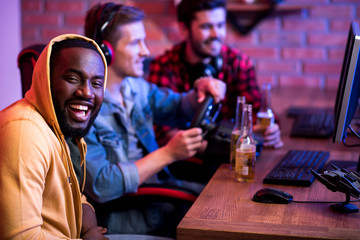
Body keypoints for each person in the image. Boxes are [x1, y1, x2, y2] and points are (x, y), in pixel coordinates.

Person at [83, 2, 226, 237]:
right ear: (105, 51)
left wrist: (199, 91)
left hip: (160, 193)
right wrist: (169, 153)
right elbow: (101, 185)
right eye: (134, 43)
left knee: (224, 201)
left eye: (143, 41)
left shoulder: (135, 87)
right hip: (131, 213)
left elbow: (176, 107)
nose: (145, 51)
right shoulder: (86, 108)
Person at [0, 34, 108, 239]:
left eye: (96, 83)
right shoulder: (24, 132)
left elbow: (73, 197)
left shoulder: (60, 129)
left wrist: (88, 229)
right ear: (46, 81)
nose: (87, 93)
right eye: (73, 79)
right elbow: (21, 237)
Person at [148, 0, 283, 149]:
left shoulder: (238, 63)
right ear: (184, 29)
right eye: (206, 27)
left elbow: (256, 110)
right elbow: (161, 132)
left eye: (220, 25)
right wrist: (212, 148)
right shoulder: (163, 65)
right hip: (183, 164)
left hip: (229, 156)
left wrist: (270, 131)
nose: (216, 34)